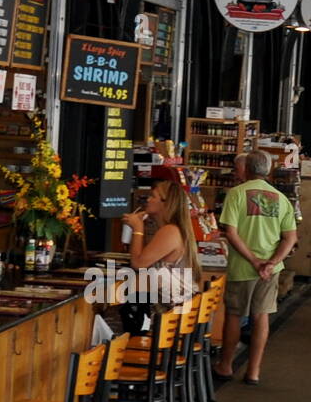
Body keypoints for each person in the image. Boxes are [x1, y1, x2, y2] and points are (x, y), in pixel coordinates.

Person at [216, 149, 297, 384]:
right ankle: (253, 371)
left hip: (243, 267)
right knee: (261, 317)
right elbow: (289, 238)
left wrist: (253, 260)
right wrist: (272, 262)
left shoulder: (237, 194)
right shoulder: (281, 198)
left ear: (248, 169)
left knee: (234, 314)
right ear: (268, 170)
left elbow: (230, 232)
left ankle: (226, 365)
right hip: (270, 271)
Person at [119, 180, 202, 334]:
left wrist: (138, 228)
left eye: (153, 196)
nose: (148, 200)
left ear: (166, 203)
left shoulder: (170, 231)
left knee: (112, 318)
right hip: (175, 310)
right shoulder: (172, 229)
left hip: (165, 317)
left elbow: (138, 263)